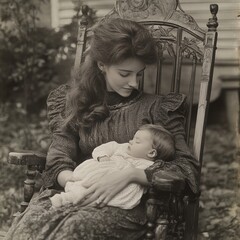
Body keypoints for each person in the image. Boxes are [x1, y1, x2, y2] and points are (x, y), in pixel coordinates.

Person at [6, 18, 199, 240]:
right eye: (125, 74)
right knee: (29, 227)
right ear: (101, 65)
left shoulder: (157, 108)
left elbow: (186, 170)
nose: (134, 83)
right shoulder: (75, 102)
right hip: (74, 189)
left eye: (139, 73)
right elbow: (59, 159)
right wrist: (76, 183)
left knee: (72, 230)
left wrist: (131, 175)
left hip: (129, 203)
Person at [50, 124, 176, 209]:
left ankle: (79, 200)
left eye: (137, 141)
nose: (130, 141)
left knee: (129, 190)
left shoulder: (148, 165)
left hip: (118, 186)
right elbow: (105, 147)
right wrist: (102, 156)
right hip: (102, 169)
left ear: (151, 153)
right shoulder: (122, 147)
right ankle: (70, 196)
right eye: (133, 138)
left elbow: (150, 179)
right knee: (87, 181)